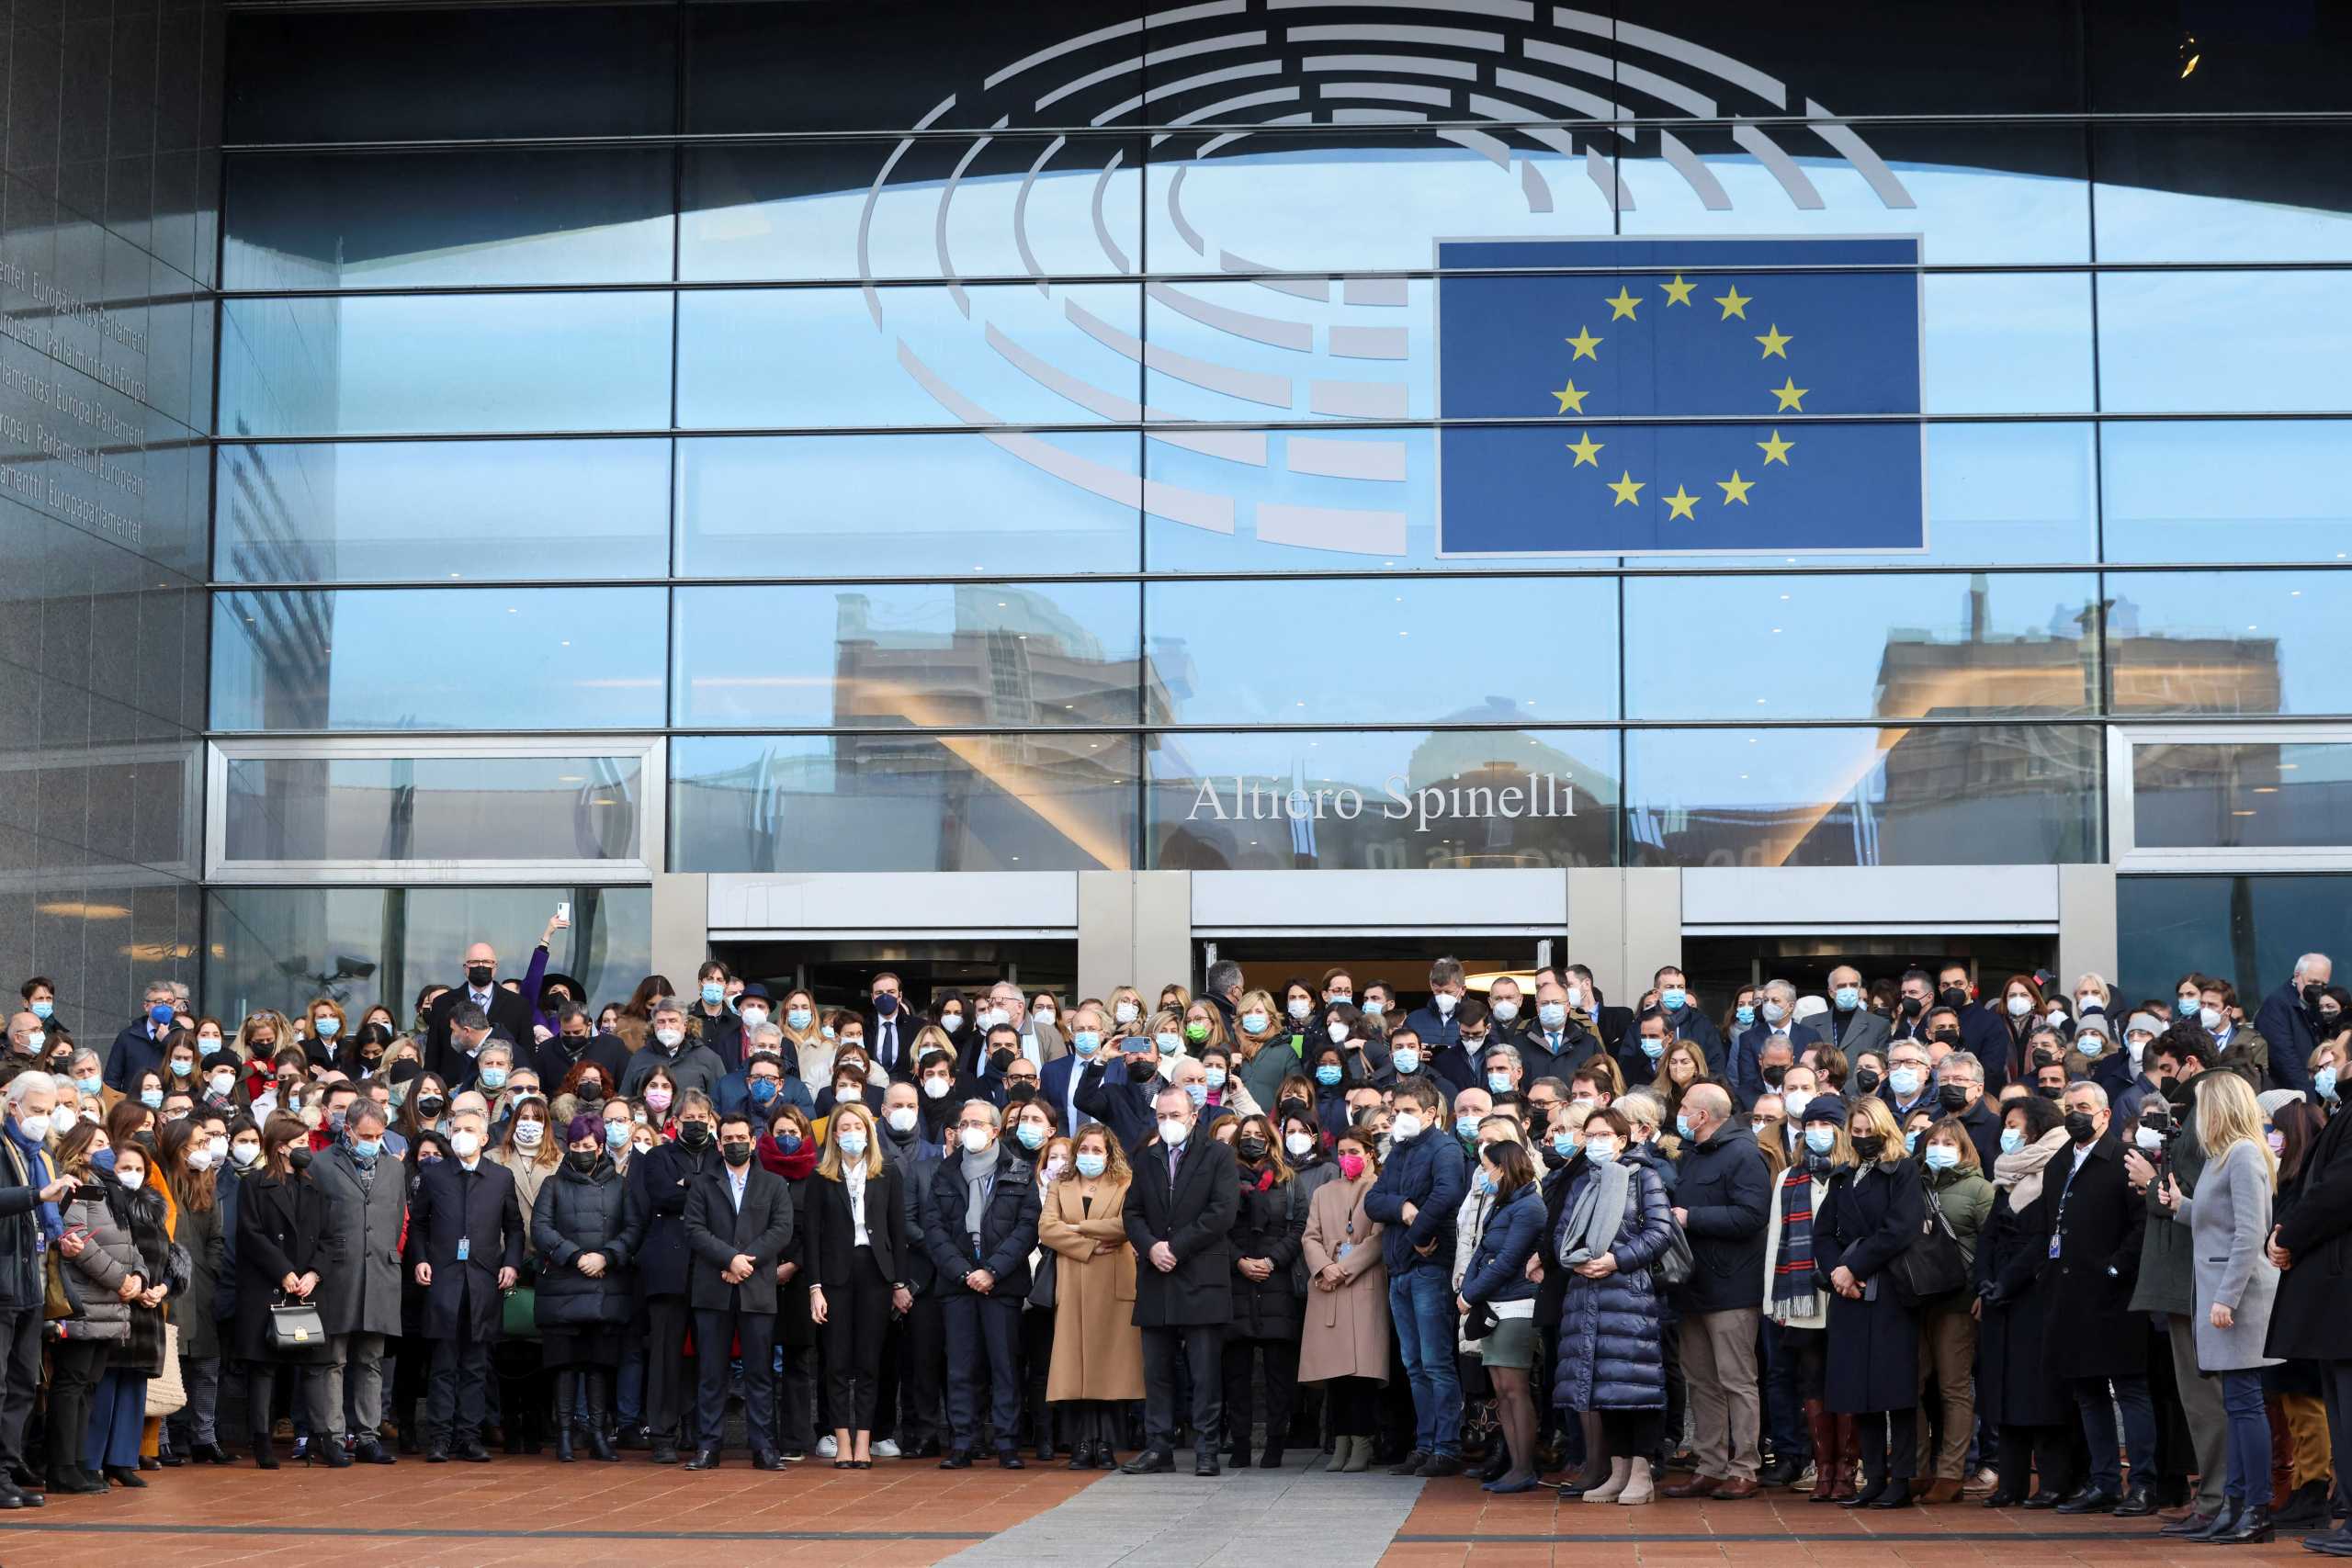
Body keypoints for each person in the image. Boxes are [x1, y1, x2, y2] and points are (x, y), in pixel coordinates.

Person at [2157, 1069, 2281, 1543]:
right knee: (2237, 1403)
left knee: (2245, 1404)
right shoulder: (2222, 1156)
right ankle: (2236, 1505)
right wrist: (2181, 1205)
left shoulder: (2246, 1154)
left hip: (2236, 1298)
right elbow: (2217, 1219)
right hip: (2218, 1293)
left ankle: (2255, 1508)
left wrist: (2226, 1297)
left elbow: (2250, 1232)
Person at [2033, 1081, 2156, 1517]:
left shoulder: (2124, 1160)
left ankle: (2143, 1483)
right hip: (2068, 1294)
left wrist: (2117, 1266)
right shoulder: (2060, 1161)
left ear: (2105, 1114)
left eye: (2083, 1107)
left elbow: (2144, 1223)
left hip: (2115, 1293)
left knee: (2129, 1389)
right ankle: (2104, 1482)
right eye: (2069, 1108)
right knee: (2087, 1392)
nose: (2075, 1114)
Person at [1552, 1106, 1679, 1506]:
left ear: (1623, 1139)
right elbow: (1560, 1232)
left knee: (1636, 1387)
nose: (1596, 1142)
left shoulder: (1645, 1177)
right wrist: (1574, 1258)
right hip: (1585, 1295)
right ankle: (1618, 1470)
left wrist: (1616, 1259)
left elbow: (1660, 1231)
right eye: (1589, 1136)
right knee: (1605, 1390)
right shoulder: (1581, 1181)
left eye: (1604, 1134)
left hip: (1629, 1295)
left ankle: (1642, 1472)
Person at [1119, 1081, 1238, 1477]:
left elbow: (1221, 1212)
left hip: (1200, 1275)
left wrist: (1176, 1247)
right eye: (1162, 1116)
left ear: (1194, 1116)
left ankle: (1206, 1449)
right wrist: (1152, 1246)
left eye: (1175, 1115)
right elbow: (1132, 1212)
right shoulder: (1148, 1158)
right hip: (1157, 1278)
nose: (1169, 1123)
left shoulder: (1218, 1155)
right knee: (1157, 1370)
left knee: (1204, 1371)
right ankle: (1159, 1447)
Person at [1659, 1083, 1770, 1500]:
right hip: (1692, 1287)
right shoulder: (1693, 1156)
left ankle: (1745, 1468)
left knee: (1736, 1380)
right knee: (1701, 1381)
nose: (1680, 1114)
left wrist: (1693, 1217)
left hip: (1731, 1288)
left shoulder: (1743, 1154)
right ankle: (1710, 1464)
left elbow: (1752, 1215)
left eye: (1685, 1107)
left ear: (1703, 1116)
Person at [1815, 1096, 1925, 1508]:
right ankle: (1874, 1476)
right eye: (1855, 1132)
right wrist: (1837, 1273)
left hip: (1891, 1290)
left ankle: (1901, 1479)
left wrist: (1853, 1266)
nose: (1862, 1139)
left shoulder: (1904, 1171)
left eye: (1869, 1132)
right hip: (1850, 1292)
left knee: (1893, 1390)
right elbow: (1823, 1232)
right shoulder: (1843, 1176)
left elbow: (1900, 1230)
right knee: (1856, 1389)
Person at [2264, 1068, 2352, 1558]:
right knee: (2338, 1406)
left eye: (2339, 1055)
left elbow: (2336, 1191)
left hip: (2340, 1287)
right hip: (2330, 1290)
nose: (2331, 1066)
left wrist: (2288, 1235)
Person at [926, 1099, 1040, 1469]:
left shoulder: (1020, 1171)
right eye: (963, 1124)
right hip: (958, 1285)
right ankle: (963, 1442)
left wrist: (992, 1270)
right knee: (961, 1367)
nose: (968, 1129)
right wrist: (964, 1272)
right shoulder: (944, 1173)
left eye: (977, 1123)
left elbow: (1027, 1229)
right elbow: (935, 1230)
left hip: (1002, 1285)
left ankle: (1007, 1443)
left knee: (1004, 1366)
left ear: (995, 1130)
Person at [408, 1104, 523, 1463]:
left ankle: (469, 1436)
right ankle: (440, 1437)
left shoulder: (500, 1177)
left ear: (484, 1138)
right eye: (457, 1128)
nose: (462, 1135)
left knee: (476, 1365)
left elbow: (515, 1228)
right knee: (444, 1363)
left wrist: (512, 1264)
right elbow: (419, 1225)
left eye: (470, 1129)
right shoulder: (435, 1175)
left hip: (484, 1280)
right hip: (444, 1280)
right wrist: (421, 1259)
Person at [1974, 1092, 2074, 1506]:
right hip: (2000, 1300)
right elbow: (1990, 1234)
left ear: (2038, 1127)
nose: (2009, 1134)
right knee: (2003, 1391)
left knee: (2039, 1393)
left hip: (2035, 1296)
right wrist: (1983, 1279)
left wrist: (2010, 1280)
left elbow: (2041, 1237)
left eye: (2016, 1126)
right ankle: (2011, 1483)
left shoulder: (2056, 1168)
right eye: (2007, 1126)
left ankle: (2052, 1481)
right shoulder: (2005, 1176)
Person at [681, 1110, 795, 1470]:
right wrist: (730, 1260)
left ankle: (764, 1448)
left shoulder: (774, 1184)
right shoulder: (701, 1183)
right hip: (713, 1291)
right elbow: (694, 1230)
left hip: (757, 1290)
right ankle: (708, 1446)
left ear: (753, 1140)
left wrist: (746, 1262)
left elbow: (781, 1230)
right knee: (712, 1373)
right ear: (719, 1143)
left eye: (740, 1138)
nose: (734, 1144)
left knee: (760, 1373)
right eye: (727, 1139)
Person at [1365, 1077, 1467, 1477]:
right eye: (1396, 1112)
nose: (1399, 1119)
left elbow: (1447, 1195)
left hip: (1429, 1267)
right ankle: (1424, 1444)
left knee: (1436, 1362)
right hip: (1402, 1269)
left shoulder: (1445, 1149)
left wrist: (1417, 1231)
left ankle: (1447, 1446)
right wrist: (1405, 1209)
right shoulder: (1399, 1151)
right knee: (1414, 1363)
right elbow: (1374, 1201)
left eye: (1408, 1112)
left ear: (1431, 1114)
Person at [808, 1100, 909, 1469]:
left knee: (869, 1361)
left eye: (858, 1127)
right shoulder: (820, 1177)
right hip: (835, 1274)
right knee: (836, 1361)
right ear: (835, 1134)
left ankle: (864, 1440)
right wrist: (814, 1288)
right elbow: (812, 1237)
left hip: (875, 1273)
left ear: (870, 1132)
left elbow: (898, 1232)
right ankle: (843, 1441)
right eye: (845, 1127)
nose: (852, 1134)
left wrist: (899, 1282)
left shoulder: (887, 1174)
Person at [530, 1113, 637, 1463]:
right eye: (575, 1146)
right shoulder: (552, 1184)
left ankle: (597, 1434)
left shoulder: (621, 1185)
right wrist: (575, 1256)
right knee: (565, 1365)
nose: (581, 1152)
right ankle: (564, 1435)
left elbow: (633, 1229)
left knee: (598, 1365)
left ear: (601, 1146)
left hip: (605, 1287)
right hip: (563, 1285)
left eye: (587, 1146)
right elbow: (541, 1230)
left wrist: (606, 1257)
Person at [233, 1112, 336, 1470]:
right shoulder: (255, 1185)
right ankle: (261, 1440)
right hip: (268, 1286)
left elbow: (329, 1238)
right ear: (280, 1148)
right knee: (263, 1367)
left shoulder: (314, 1186)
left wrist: (314, 1274)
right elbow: (250, 1234)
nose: (306, 1151)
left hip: (307, 1287)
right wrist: (284, 1272)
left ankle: (324, 1438)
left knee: (314, 1367)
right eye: (300, 1145)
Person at [1039, 1121, 1142, 1470]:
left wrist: (1078, 1227)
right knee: (1075, 1369)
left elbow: (1127, 1225)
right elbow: (1047, 1229)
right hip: (1073, 1283)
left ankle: (1107, 1445)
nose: (1090, 1156)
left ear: (1110, 1153)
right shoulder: (1059, 1185)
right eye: (1084, 1149)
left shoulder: (1125, 1183)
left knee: (1109, 1369)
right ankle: (1081, 1443)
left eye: (1097, 1150)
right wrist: (1088, 1246)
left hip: (1113, 1285)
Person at [308, 1097, 405, 1465]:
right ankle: (331, 1436)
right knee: (332, 1358)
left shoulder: (394, 1170)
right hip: (336, 1273)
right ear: (347, 1129)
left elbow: (395, 1221)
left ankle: (368, 1435)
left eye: (379, 1135)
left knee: (371, 1358)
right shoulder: (320, 1165)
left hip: (380, 1273)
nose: (373, 1141)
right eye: (366, 1134)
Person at [625, 1090, 718, 1464]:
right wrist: (700, 1189)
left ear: (711, 1120)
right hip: (668, 1267)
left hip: (712, 1266)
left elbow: (724, 1195)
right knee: (664, 1355)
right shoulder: (657, 1157)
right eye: (687, 1117)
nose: (694, 1123)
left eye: (701, 1116)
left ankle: (702, 1431)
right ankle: (662, 1434)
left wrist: (687, 1187)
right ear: (675, 1121)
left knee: (709, 1356)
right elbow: (662, 1196)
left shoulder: (722, 1153)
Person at [1457, 1133, 1545, 1494]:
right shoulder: (1502, 1205)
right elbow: (1482, 1251)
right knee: (1501, 1388)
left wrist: (1471, 1293)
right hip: (1493, 1306)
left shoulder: (1530, 1207)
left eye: (1488, 1168)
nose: (1484, 1174)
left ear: (1504, 1169)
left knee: (1514, 1389)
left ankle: (1524, 1466)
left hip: (1517, 1307)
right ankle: (1514, 1463)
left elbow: (1508, 1259)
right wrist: (1467, 1291)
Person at [0, 1072, 74, 1503]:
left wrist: (62, 1233)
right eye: (37, 1111)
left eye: (48, 1113)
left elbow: (39, 1216)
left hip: (29, 1281)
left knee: (24, 1382)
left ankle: (7, 1471)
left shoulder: (40, 1154)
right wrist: (35, 1195)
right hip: (4, 1280)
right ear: (14, 1107)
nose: (42, 1120)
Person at [1912, 1116, 1993, 1502]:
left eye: (1949, 1142)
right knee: (1911, 1384)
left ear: (1964, 1150)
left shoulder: (1979, 1190)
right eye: (1934, 1141)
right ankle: (1917, 1467)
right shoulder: (1911, 1183)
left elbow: (1992, 1245)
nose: (1939, 1148)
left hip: (1958, 1300)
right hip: (1915, 1298)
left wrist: (1983, 1289)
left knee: (1953, 1386)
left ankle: (1951, 1472)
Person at [1300, 1125, 1388, 1474]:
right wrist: (1324, 1267)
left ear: (1369, 1153)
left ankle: (1362, 1441)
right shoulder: (1323, 1192)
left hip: (1362, 1285)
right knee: (1333, 1371)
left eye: (1354, 1152)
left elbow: (1378, 1239)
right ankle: (1340, 1441)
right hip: (1328, 1289)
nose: (1347, 1159)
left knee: (1361, 1372)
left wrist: (1345, 1267)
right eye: (1341, 1153)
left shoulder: (1379, 1190)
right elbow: (1310, 1236)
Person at [1223, 1111, 1306, 1470]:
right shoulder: (1223, 1177)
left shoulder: (1288, 1180)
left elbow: (1300, 1226)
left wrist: (1272, 1261)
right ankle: (1239, 1443)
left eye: (1259, 1133)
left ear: (1271, 1140)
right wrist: (1239, 1260)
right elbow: (1215, 1225)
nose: (1252, 1139)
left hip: (1277, 1282)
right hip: (1236, 1281)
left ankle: (1276, 1444)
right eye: (1247, 1133)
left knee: (1278, 1375)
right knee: (1236, 1374)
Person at [153, 1119, 229, 1466]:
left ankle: (205, 1436)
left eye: (205, 1142)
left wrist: (210, 1271)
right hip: (168, 1284)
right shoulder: (159, 1184)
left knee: (206, 1362)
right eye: (196, 1143)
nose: (204, 1149)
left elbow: (217, 1238)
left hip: (202, 1285)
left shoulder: (207, 1185)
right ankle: (161, 1437)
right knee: (167, 1361)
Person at [424, 939, 536, 1083]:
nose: (481, 966)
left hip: (502, 1091)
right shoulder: (443, 1003)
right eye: (475, 962)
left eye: (487, 962)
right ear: (465, 968)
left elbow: (528, 1054)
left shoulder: (518, 1005)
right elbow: (433, 1054)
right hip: (453, 1089)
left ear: (495, 967)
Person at [2252, 953, 2329, 1095]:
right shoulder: (2276, 1005)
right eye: (2313, 981)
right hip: (2292, 1097)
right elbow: (2285, 1061)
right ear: (2297, 975)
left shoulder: (2315, 1006)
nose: (2318, 988)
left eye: (2323, 984)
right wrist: (2310, 1100)